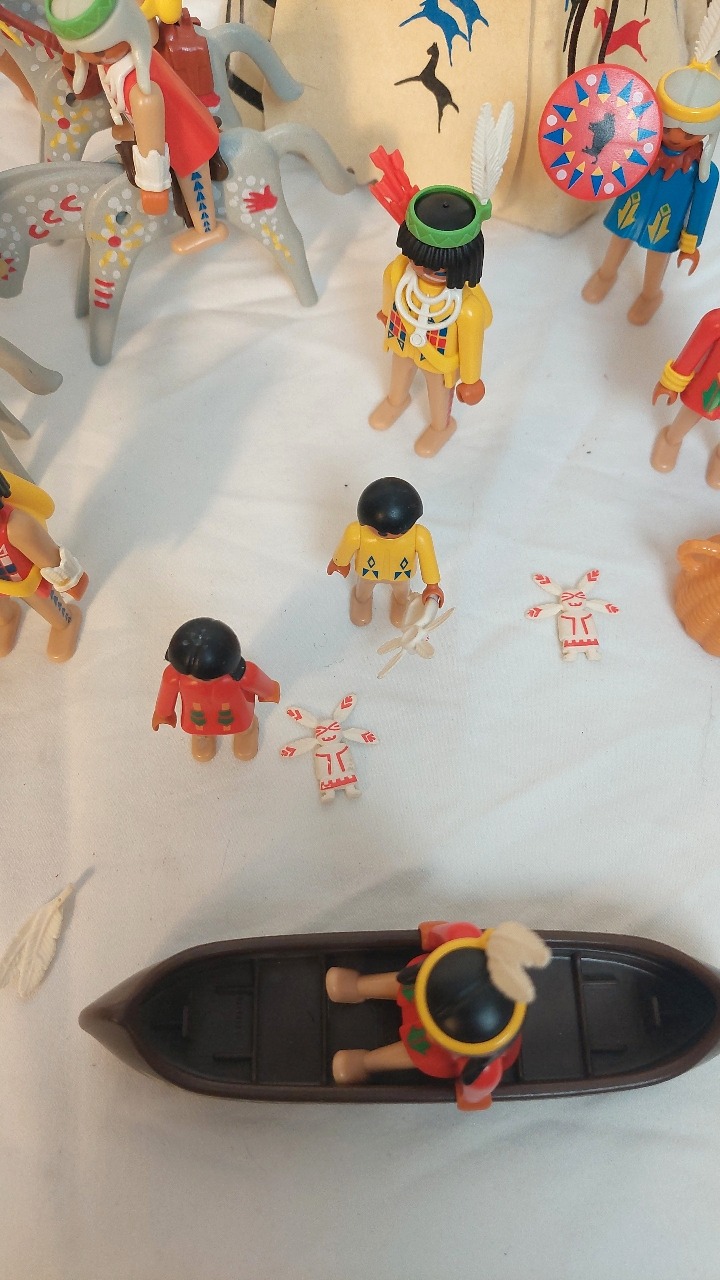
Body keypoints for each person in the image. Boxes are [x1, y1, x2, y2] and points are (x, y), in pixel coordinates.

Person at [45, 0, 228, 254]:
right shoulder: (119, 62)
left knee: (193, 178)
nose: (87, 57)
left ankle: (207, 229)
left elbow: (151, 138)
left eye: (94, 50)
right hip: (164, 123)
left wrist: (154, 185)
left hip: (186, 134)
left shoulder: (139, 86)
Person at [152, 617, 280, 762]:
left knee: (244, 725)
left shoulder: (241, 674)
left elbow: (257, 680)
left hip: (236, 711)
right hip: (198, 714)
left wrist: (269, 692)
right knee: (200, 728)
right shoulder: (175, 676)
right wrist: (163, 713)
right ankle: (203, 737)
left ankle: (247, 732)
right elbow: (167, 694)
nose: (197, 679)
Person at [327, 477, 443, 627]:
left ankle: (401, 605)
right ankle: (361, 602)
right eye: (382, 532)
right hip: (369, 572)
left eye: (401, 531)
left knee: (402, 595)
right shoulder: (358, 533)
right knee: (363, 592)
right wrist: (340, 562)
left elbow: (428, 559)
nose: (391, 536)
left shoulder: (418, 536)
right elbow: (346, 546)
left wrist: (432, 585)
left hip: (400, 575)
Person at [0, 470, 88, 662]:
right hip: (3, 585)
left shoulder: (15, 526)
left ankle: (65, 623)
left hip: (27, 582)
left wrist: (69, 579)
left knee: (49, 606)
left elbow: (48, 555)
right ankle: (7, 618)